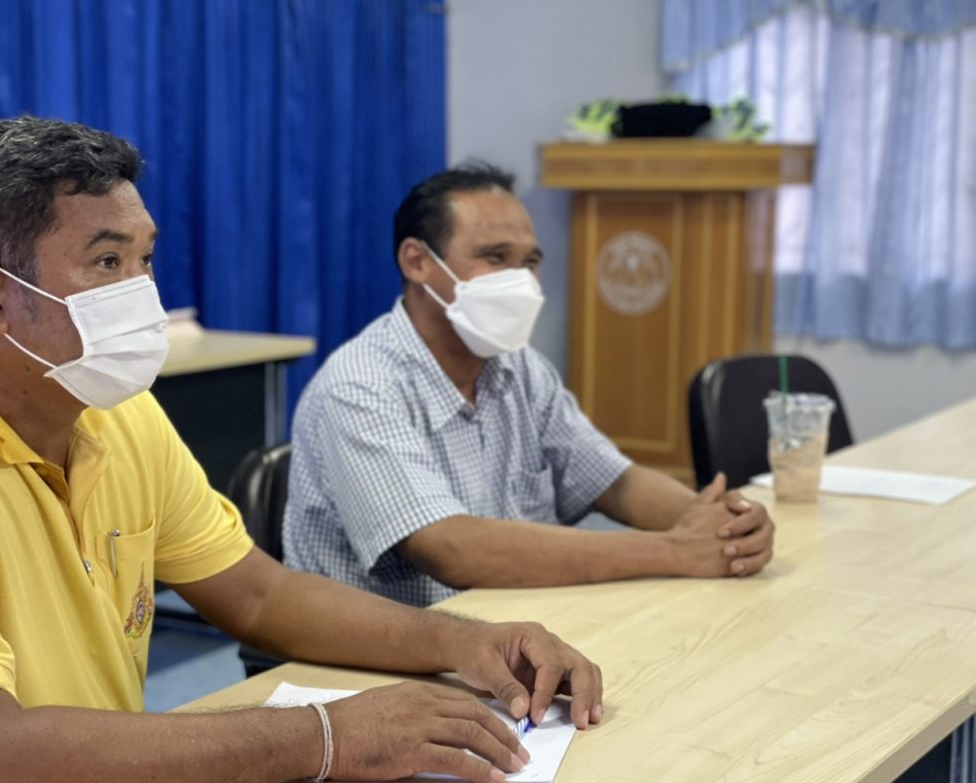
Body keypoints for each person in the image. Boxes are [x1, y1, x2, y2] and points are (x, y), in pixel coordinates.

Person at [0, 120, 604, 783]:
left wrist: (463, 642)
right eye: (107, 262)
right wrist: (326, 737)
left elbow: (258, 595)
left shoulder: (114, 415)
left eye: (145, 259)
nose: (142, 294)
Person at [284, 162, 776, 609]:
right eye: (495, 258)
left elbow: (615, 481)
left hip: (514, 627)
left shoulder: (519, 368)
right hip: (382, 659)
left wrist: (721, 522)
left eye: (530, 262)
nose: (522, 282)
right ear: (417, 262)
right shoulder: (359, 386)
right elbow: (452, 549)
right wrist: (673, 550)